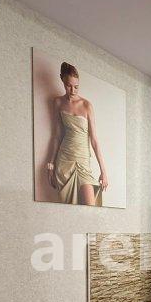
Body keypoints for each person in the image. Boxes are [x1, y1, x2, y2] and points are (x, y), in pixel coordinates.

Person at [47, 62, 109, 205]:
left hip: (82, 161)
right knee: (69, 211)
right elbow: (56, 135)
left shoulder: (86, 105)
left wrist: (103, 171)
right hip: (65, 160)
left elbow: (94, 140)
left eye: (76, 86)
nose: (73, 90)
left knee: (90, 207)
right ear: (62, 80)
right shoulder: (58, 102)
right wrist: (51, 164)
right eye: (69, 86)